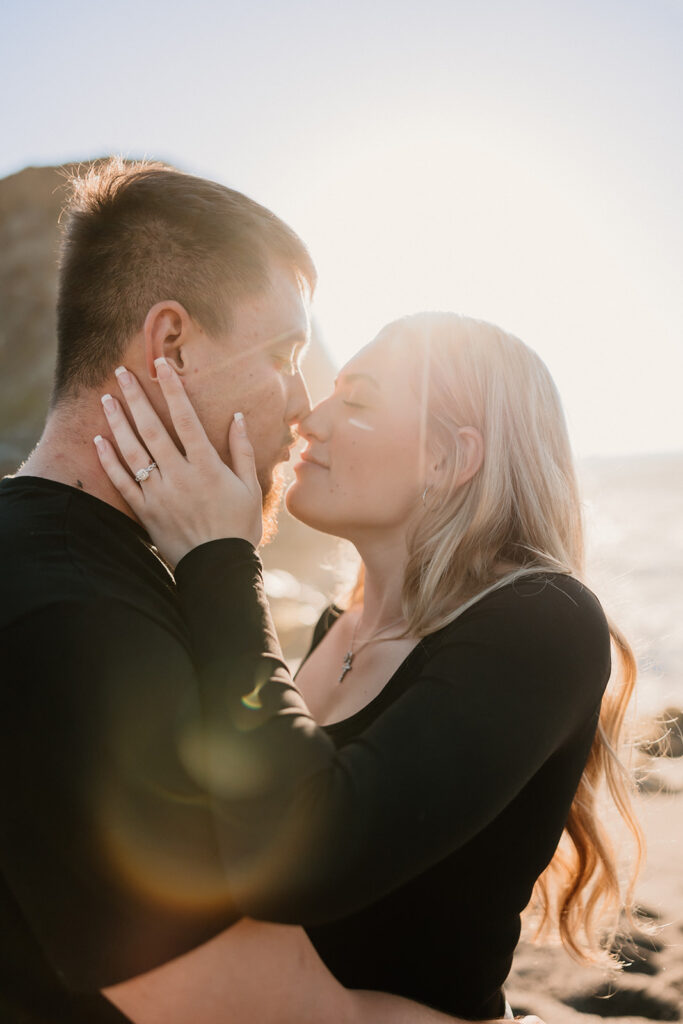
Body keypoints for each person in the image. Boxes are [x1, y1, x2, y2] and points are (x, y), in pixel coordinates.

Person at [0, 160, 485, 1024]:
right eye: (285, 357)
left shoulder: (58, 562)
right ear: (170, 345)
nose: (303, 409)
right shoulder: (82, 627)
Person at [94, 313, 643, 1021]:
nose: (308, 420)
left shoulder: (542, 622)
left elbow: (303, 864)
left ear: (450, 456)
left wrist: (218, 560)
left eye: (354, 401)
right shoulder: (335, 625)